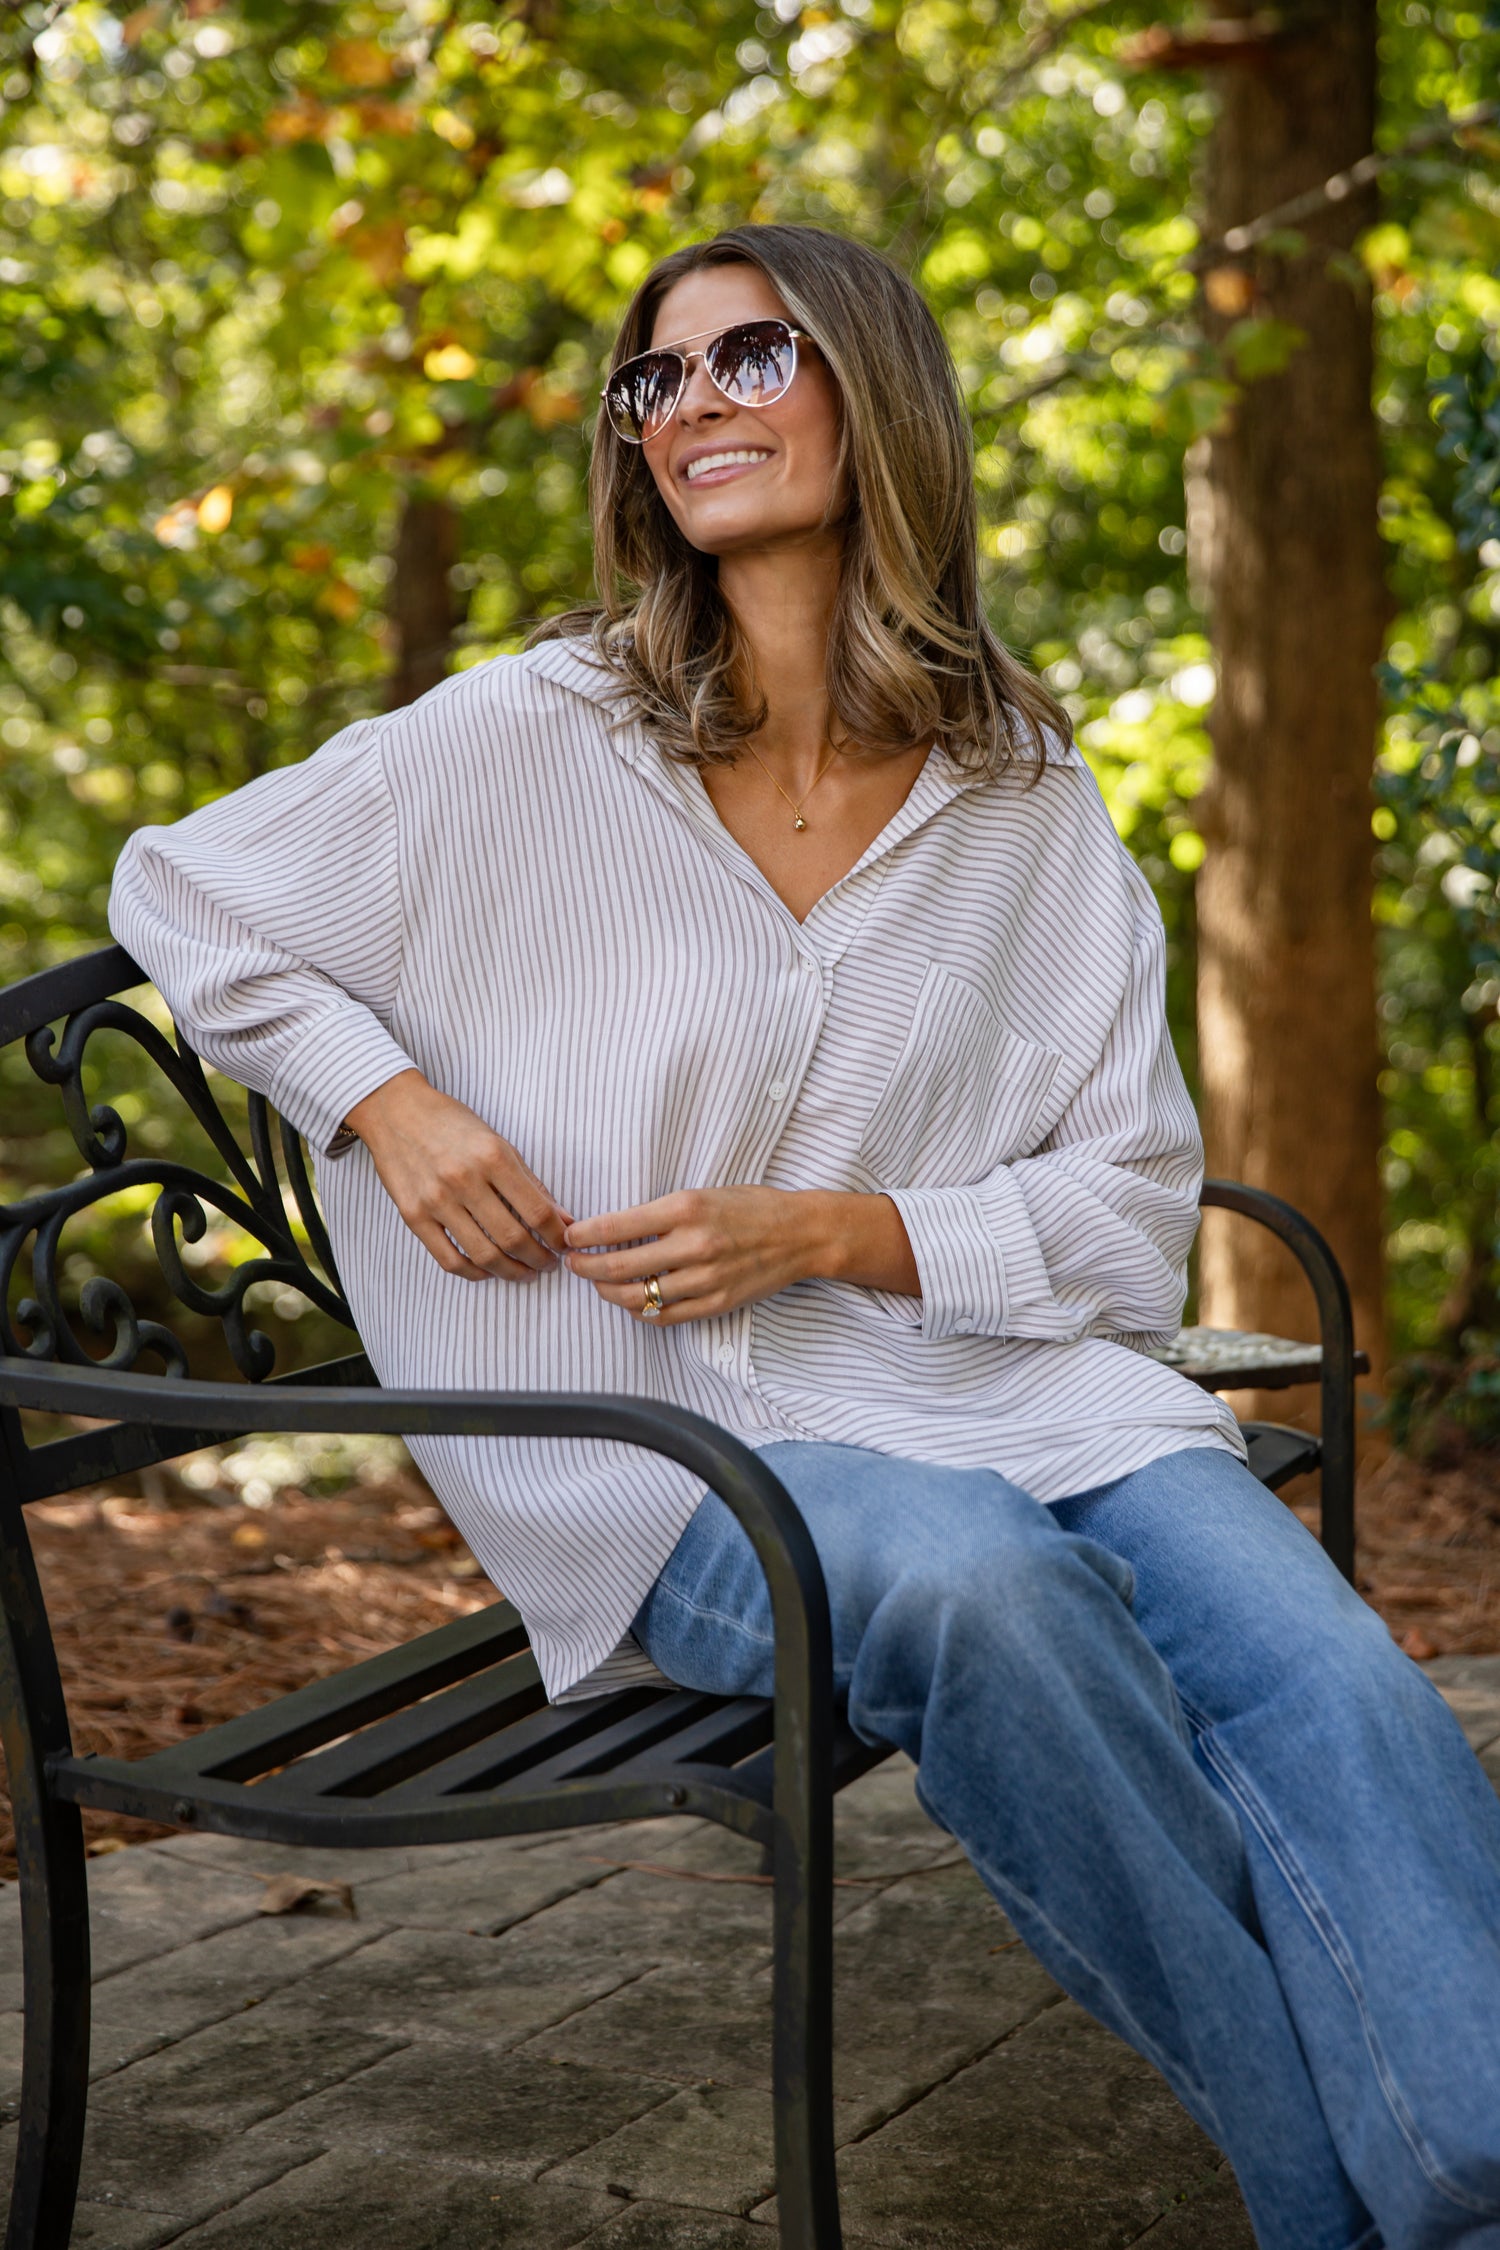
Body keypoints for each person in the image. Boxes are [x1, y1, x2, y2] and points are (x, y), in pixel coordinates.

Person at [110, 223, 1500, 2250]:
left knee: (1339, 1689)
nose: (690, 406)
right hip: (662, 1451)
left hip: (1018, 1395)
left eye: (749, 355)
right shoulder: (533, 735)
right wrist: (386, 1103)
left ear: (876, 388)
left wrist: (842, 1232)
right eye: (654, 380)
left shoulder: (1020, 786)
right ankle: (1343, 2195)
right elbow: (186, 892)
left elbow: (1122, 1212)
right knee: (997, 1605)